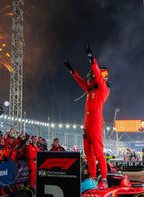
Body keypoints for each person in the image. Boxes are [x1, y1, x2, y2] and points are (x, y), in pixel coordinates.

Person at [65, 46, 110, 189]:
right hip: (87, 125)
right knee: (88, 154)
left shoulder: (103, 89)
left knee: (98, 152)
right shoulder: (90, 90)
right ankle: (92, 178)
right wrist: (72, 70)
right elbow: (81, 82)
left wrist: (91, 59)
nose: (89, 77)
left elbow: (97, 73)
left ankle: (104, 179)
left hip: (96, 124)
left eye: (92, 75)